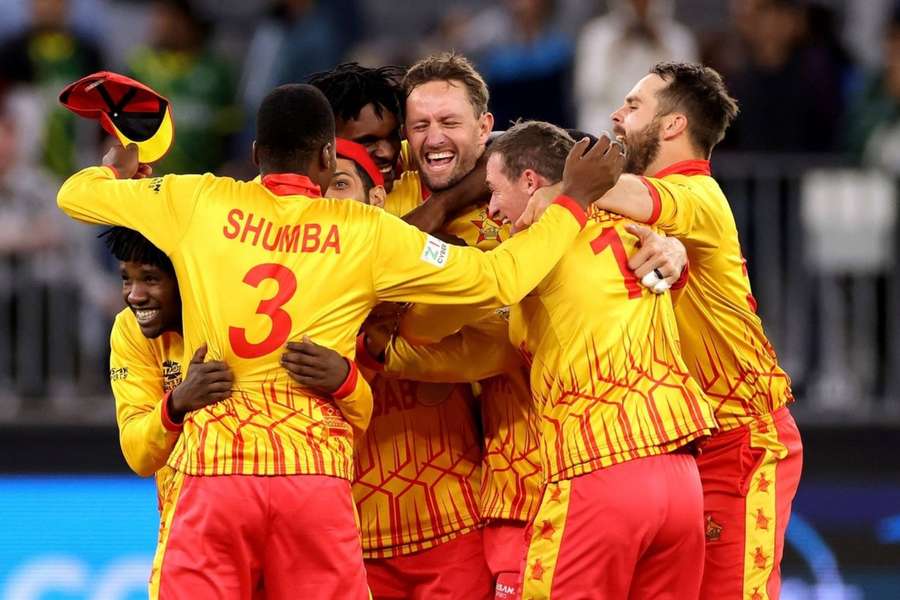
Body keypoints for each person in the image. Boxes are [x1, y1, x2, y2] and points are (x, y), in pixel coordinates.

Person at [56, 82, 620, 598]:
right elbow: (500, 279)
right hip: (313, 475)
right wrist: (571, 201)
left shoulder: (200, 201)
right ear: (329, 158)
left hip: (217, 469)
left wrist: (118, 168)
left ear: (255, 156)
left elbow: (75, 195)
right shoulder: (368, 233)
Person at [398, 120, 717, 599]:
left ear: (530, 183)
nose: (491, 209)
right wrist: (675, 250)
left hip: (599, 466)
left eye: (493, 191)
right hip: (681, 477)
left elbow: (426, 321)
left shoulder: (534, 248)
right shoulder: (641, 233)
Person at [521, 62, 803, 600]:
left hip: (742, 436)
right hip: (680, 443)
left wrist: (554, 191)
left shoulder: (698, 196)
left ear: (672, 125)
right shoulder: (650, 221)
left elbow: (632, 198)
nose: (616, 116)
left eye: (632, 106)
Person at [286, 145, 493, 597]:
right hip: (350, 540)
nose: (328, 202)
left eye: (340, 186)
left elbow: (496, 348)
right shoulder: (284, 287)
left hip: (453, 523)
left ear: (377, 200)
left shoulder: (434, 258)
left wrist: (385, 350)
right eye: (319, 191)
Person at [101, 227, 234, 584]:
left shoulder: (235, 318)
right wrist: (176, 404)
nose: (135, 295)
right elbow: (138, 454)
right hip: (186, 527)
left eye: (150, 279)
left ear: (187, 277)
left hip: (267, 513)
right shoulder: (129, 329)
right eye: (126, 279)